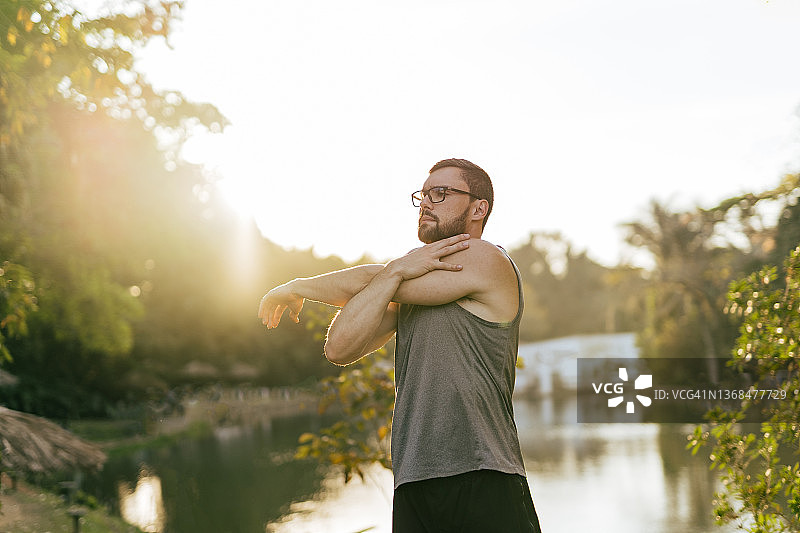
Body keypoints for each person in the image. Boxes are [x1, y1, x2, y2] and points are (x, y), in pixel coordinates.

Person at [258, 158, 542, 532]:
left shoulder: (487, 258)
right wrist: (395, 272)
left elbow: (371, 279)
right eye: (422, 195)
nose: (426, 202)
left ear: (479, 208)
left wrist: (298, 285)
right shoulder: (407, 281)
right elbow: (339, 348)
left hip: (483, 474)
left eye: (441, 193)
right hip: (413, 483)